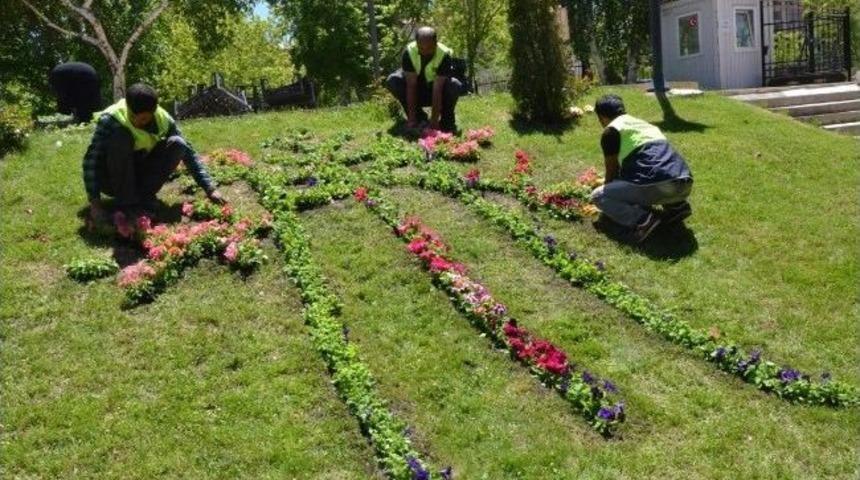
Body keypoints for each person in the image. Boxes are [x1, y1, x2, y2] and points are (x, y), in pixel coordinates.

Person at [83, 83, 226, 224]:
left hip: (138, 171)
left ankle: (144, 196)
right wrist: (95, 204)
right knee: (121, 136)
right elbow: (92, 160)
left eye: (144, 118)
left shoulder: (164, 119)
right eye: (133, 116)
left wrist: (210, 188)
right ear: (128, 106)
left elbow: (188, 152)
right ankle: (127, 204)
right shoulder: (110, 119)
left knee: (178, 143)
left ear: (153, 111)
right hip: (111, 178)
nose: (137, 122)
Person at [590, 94, 693, 243]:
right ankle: (677, 207)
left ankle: (643, 221)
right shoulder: (644, 125)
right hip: (684, 182)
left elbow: (612, 172)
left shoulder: (611, 131)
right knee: (654, 173)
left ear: (601, 116)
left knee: (599, 196)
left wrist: (608, 193)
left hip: (657, 185)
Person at [385, 26, 463, 133]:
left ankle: (446, 122)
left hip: (435, 91)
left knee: (454, 85)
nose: (425, 51)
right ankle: (418, 118)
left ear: (436, 43)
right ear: (416, 43)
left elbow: (438, 89)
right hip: (417, 91)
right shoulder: (409, 52)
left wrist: (434, 122)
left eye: (430, 48)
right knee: (393, 81)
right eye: (421, 48)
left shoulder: (444, 55)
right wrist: (412, 120)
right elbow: (411, 86)